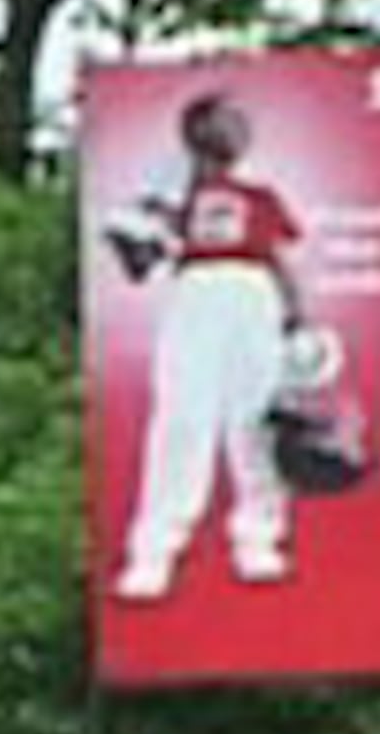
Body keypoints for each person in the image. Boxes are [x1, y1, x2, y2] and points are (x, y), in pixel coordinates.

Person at [107, 87, 306, 604]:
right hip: (196, 290)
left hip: (252, 293)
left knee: (255, 415)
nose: (238, 130)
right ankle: (154, 552)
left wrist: (298, 318)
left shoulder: (260, 195)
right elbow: (137, 264)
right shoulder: (170, 194)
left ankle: (258, 538)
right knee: (182, 416)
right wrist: (140, 237)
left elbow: (281, 259)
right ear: (196, 131)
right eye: (227, 121)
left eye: (241, 122)